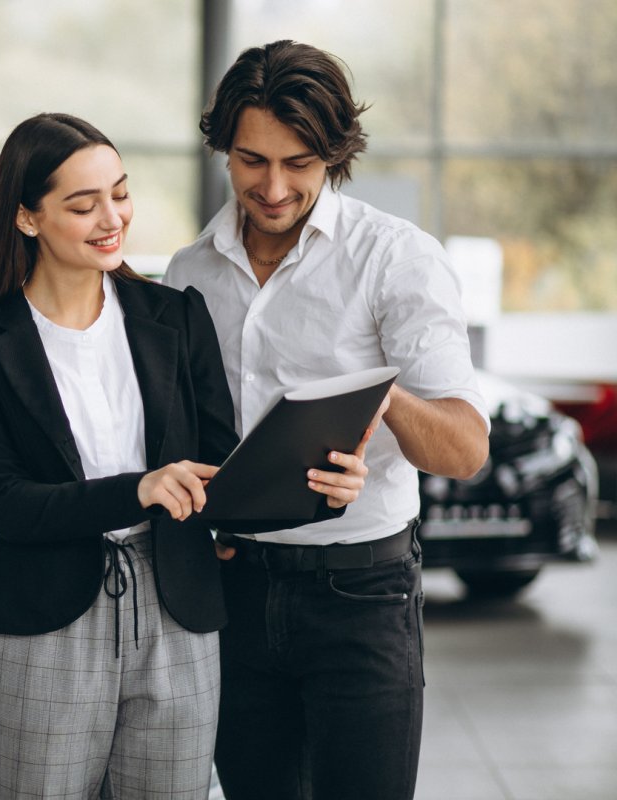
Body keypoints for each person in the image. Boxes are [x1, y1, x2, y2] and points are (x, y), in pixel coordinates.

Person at [0, 112, 370, 799]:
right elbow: (10, 507)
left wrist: (318, 489)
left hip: (179, 613)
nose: (112, 218)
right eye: (83, 204)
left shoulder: (175, 315)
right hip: (45, 625)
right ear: (26, 218)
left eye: (120, 193)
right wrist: (140, 488)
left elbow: (223, 472)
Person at [164, 40, 492, 800]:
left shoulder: (397, 261)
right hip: (234, 592)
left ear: (335, 156)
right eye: (251, 161)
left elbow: (465, 448)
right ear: (223, 150)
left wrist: (380, 399)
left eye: (299, 163)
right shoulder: (188, 274)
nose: (273, 187)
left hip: (360, 597)